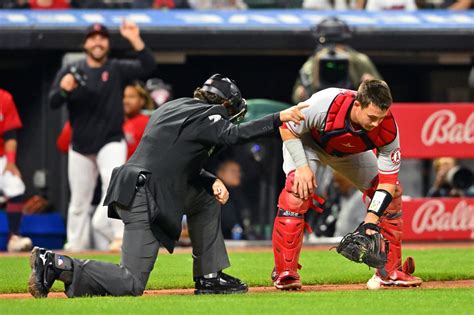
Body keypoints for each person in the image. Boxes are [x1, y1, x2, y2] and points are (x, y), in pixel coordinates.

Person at [28, 73, 307, 298]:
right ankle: (57, 265)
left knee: (206, 198)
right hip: (145, 193)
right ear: (225, 104)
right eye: (231, 109)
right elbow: (233, 135)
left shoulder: (174, 107)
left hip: (139, 186)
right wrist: (278, 117)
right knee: (131, 282)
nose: (231, 114)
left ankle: (209, 276)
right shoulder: (210, 113)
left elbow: (173, 159)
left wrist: (210, 179)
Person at [271, 79, 423, 290]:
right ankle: (285, 272)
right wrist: (302, 167)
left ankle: (389, 271)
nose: (376, 124)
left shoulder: (387, 127)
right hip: (308, 143)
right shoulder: (326, 103)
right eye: (371, 117)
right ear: (357, 104)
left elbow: (387, 183)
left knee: (393, 196)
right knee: (298, 190)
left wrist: (371, 219)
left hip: (349, 152)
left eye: (381, 118)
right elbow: (287, 126)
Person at [48, 21, 156, 252]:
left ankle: (119, 237)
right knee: (78, 201)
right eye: (93, 37)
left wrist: (135, 38)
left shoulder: (115, 68)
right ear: (85, 43)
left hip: (110, 139)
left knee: (114, 186)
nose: (98, 42)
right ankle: (75, 247)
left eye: (103, 38)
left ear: (108, 44)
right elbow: (53, 102)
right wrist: (65, 89)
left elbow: (148, 66)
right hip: (81, 145)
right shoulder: (72, 70)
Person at [292, 17, 382, 104]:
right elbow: (297, 96)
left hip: (354, 105)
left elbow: (382, 94)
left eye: (338, 44)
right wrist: (301, 94)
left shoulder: (359, 60)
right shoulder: (312, 63)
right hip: (321, 104)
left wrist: (372, 87)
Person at [0, 88, 31, 252]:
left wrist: (11, 162)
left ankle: (14, 237)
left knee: (15, 185)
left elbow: (10, 135)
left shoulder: (4, 98)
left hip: (0, 156)